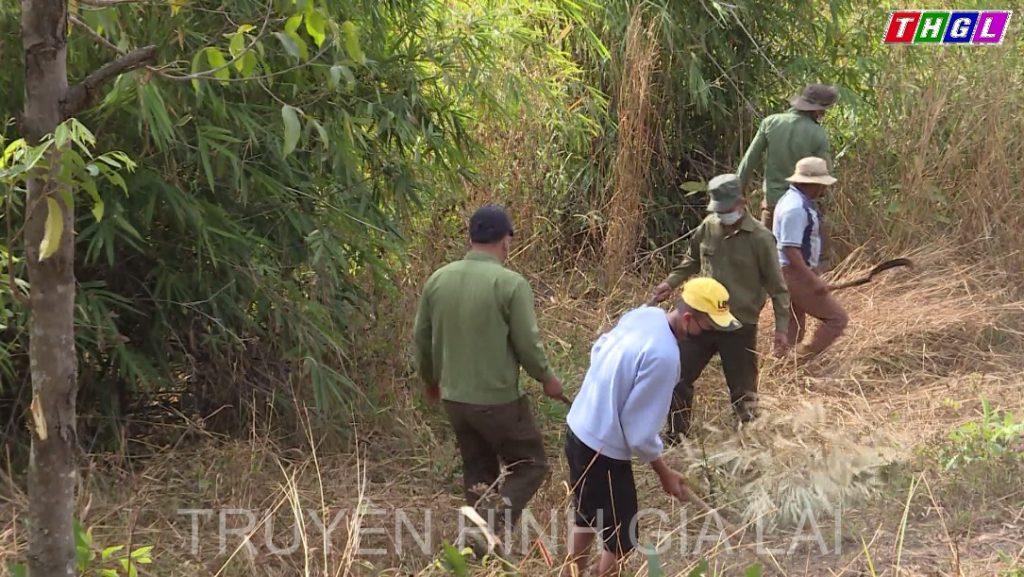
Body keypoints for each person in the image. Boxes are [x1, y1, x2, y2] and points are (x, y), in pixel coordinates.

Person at [562, 278, 741, 577]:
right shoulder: (665, 357)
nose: (712, 336)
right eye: (709, 328)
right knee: (623, 540)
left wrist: (606, 397)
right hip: (603, 452)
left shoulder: (645, 315)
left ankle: (571, 573)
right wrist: (664, 473)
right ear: (688, 319)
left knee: (586, 516)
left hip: (578, 429)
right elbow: (639, 433)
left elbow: (600, 347)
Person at [412, 203, 564, 554]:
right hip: (497, 400)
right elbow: (527, 343)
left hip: (454, 399)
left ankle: (476, 552)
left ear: (471, 238)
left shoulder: (439, 279)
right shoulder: (510, 284)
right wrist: (547, 378)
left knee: (479, 472)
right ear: (506, 239)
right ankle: (485, 536)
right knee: (531, 465)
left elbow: (422, 337)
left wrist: (431, 379)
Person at [650, 174, 790, 440]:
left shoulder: (761, 239)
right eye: (718, 209)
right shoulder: (708, 226)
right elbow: (691, 260)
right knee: (677, 376)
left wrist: (781, 329)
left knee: (743, 391)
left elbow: (778, 287)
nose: (722, 214)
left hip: (739, 324)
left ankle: (749, 441)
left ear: (741, 202)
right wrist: (669, 283)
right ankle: (677, 435)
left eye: (726, 209)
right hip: (701, 320)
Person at [773, 157, 849, 361]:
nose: (824, 189)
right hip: (794, 274)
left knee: (794, 326)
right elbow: (790, 248)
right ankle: (803, 360)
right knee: (837, 318)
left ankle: (781, 366)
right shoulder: (796, 209)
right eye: (822, 184)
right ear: (811, 184)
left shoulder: (792, 201)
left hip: (788, 272)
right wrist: (812, 280)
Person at [737, 83, 839, 229]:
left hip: (772, 205)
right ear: (817, 110)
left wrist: (736, 192)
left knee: (768, 243)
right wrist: (823, 204)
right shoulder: (818, 133)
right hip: (801, 207)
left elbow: (748, 161)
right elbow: (826, 174)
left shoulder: (771, 122)